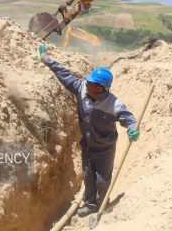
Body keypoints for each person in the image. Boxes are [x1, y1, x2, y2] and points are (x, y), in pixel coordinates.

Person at [37, 44, 139, 217]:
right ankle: (90, 203)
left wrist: (132, 129)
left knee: (102, 179)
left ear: (99, 88)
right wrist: (47, 60)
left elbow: (129, 119)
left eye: (90, 82)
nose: (86, 82)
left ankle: (101, 204)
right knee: (88, 175)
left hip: (105, 148)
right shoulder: (82, 89)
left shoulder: (114, 105)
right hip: (88, 144)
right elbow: (65, 75)